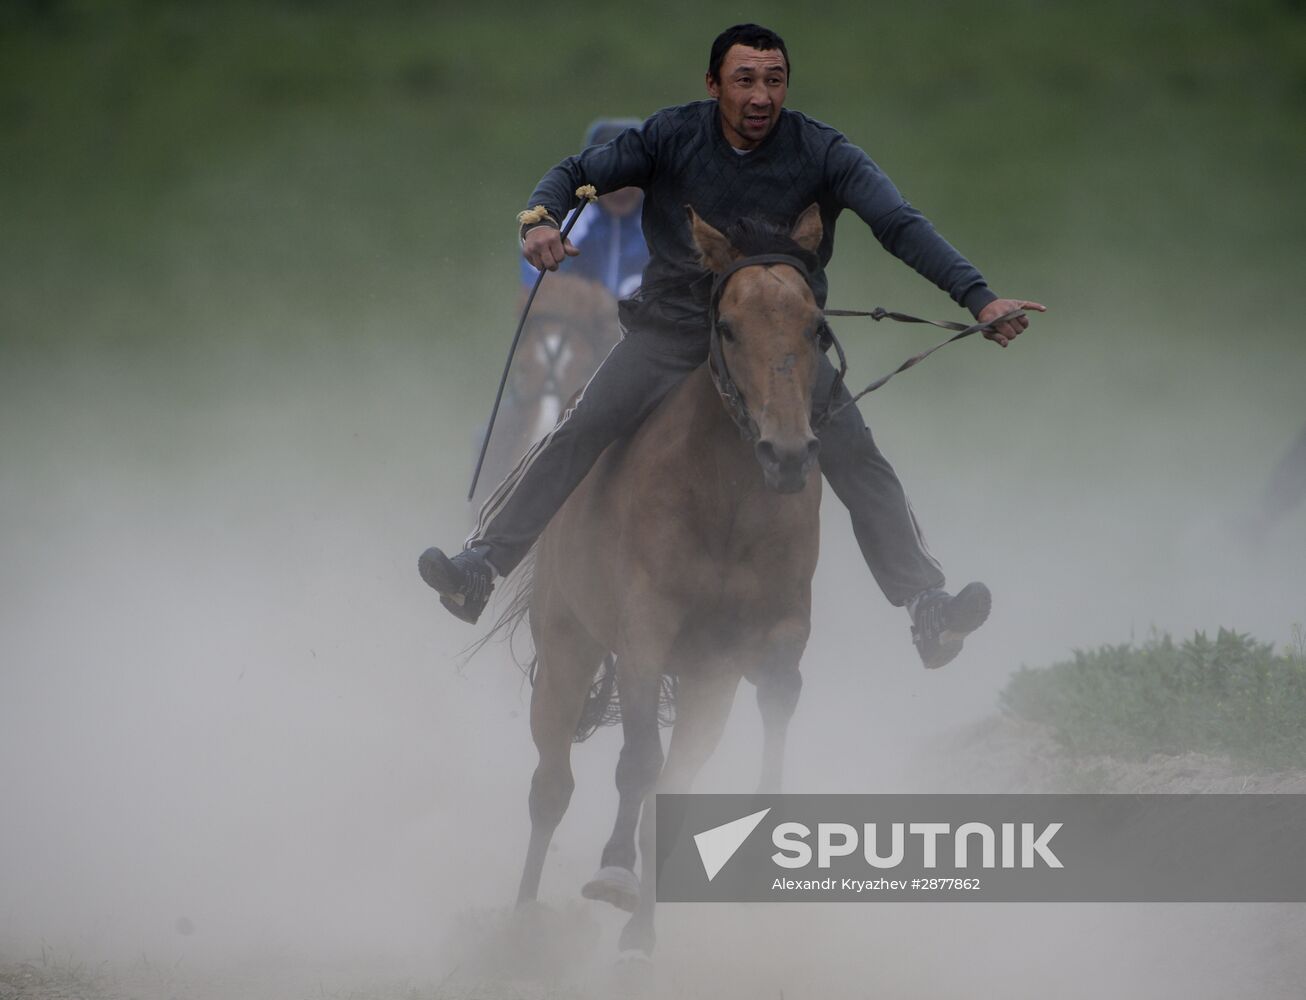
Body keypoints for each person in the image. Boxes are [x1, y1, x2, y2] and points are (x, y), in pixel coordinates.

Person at [421, 23, 1046, 669]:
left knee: (856, 451)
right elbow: (577, 172)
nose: (760, 95)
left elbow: (898, 223)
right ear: (714, 84)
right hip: (672, 328)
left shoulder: (822, 151)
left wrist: (978, 297)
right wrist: (541, 218)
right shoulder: (669, 136)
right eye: (745, 79)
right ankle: (482, 568)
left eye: (774, 80)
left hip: (775, 339)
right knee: (582, 426)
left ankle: (926, 605)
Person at [518, 118, 649, 301]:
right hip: (580, 324)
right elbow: (537, 288)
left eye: (631, 177)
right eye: (613, 178)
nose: (621, 190)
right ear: (593, 176)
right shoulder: (570, 221)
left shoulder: (665, 216)